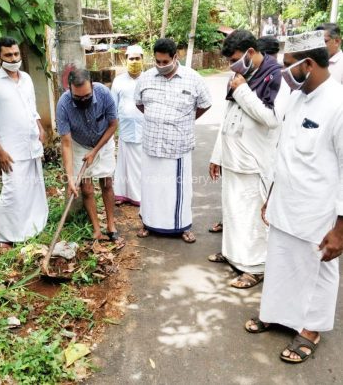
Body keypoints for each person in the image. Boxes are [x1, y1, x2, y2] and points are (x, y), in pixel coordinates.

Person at [245, 30, 343, 364]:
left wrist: (341, 229)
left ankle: (311, 329)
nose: (283, 71)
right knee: (282, 261)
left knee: (318, 270)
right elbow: (284, 152)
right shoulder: (298, 98)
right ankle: (277, 313)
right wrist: (270, 196)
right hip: (285, 202)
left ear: (310, 64)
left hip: (317, 212)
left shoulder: (339, 104)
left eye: (289, 66)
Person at [208, 30, 282, 288]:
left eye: (235, 59)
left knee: (252, 218)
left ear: (251, 52)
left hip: (254, 163)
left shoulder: (275, 75)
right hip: (232, 160)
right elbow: (228, 117)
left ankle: (256, 268)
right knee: (233, 213)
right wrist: (217, 155)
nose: (232, 66)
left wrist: (242, 91)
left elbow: (272, 119)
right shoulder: (242, 75)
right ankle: (234, 256)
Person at [135, 38, 212, 243]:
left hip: (177, 145)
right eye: (157, 62)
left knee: (178, 188)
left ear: (175, 57)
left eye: (164, 62)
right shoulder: (145, 78)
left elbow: (205, 104)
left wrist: (185, 121)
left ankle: (183, 227)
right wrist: (156, 120)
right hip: (152, 143)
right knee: (151, 187)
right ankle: (148, 223)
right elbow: (139, 103)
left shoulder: (192, 78)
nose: (160, 66)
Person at [0, 36, 48, 247]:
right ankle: (0, 236)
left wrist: (40, 126)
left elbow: (31, 108)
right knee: (13, 191)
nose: (14, 58)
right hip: (10, 149)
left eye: (16, 54)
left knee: (33, 188)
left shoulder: (26, 78)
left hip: (31, 144)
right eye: (8, 55)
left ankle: (30, 229)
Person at [56, 68, 119, 241]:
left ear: (92, 85)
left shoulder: (104, 93)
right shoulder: (63, 104)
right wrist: (70, 177)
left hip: (103, 142)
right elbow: (67, 143)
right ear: (69, 89)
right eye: (78, 97)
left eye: (87, 96)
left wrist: (95, 151)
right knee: (86, 188)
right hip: (78, 145)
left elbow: (113, 125)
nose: (83, 100)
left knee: (106, 184)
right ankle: (97, 229)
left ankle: (111, 226)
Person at [111, 45, 145, 206]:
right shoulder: (118, 81)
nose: (134, 61)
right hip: (125, 129)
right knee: (124, 164)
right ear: (126, 60)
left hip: (145, 130)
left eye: (137, 58)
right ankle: (123, 194)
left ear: (143, 59)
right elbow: (113, 106)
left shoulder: (148, 79)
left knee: (141, 165)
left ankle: (140, 196)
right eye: (131, 58)